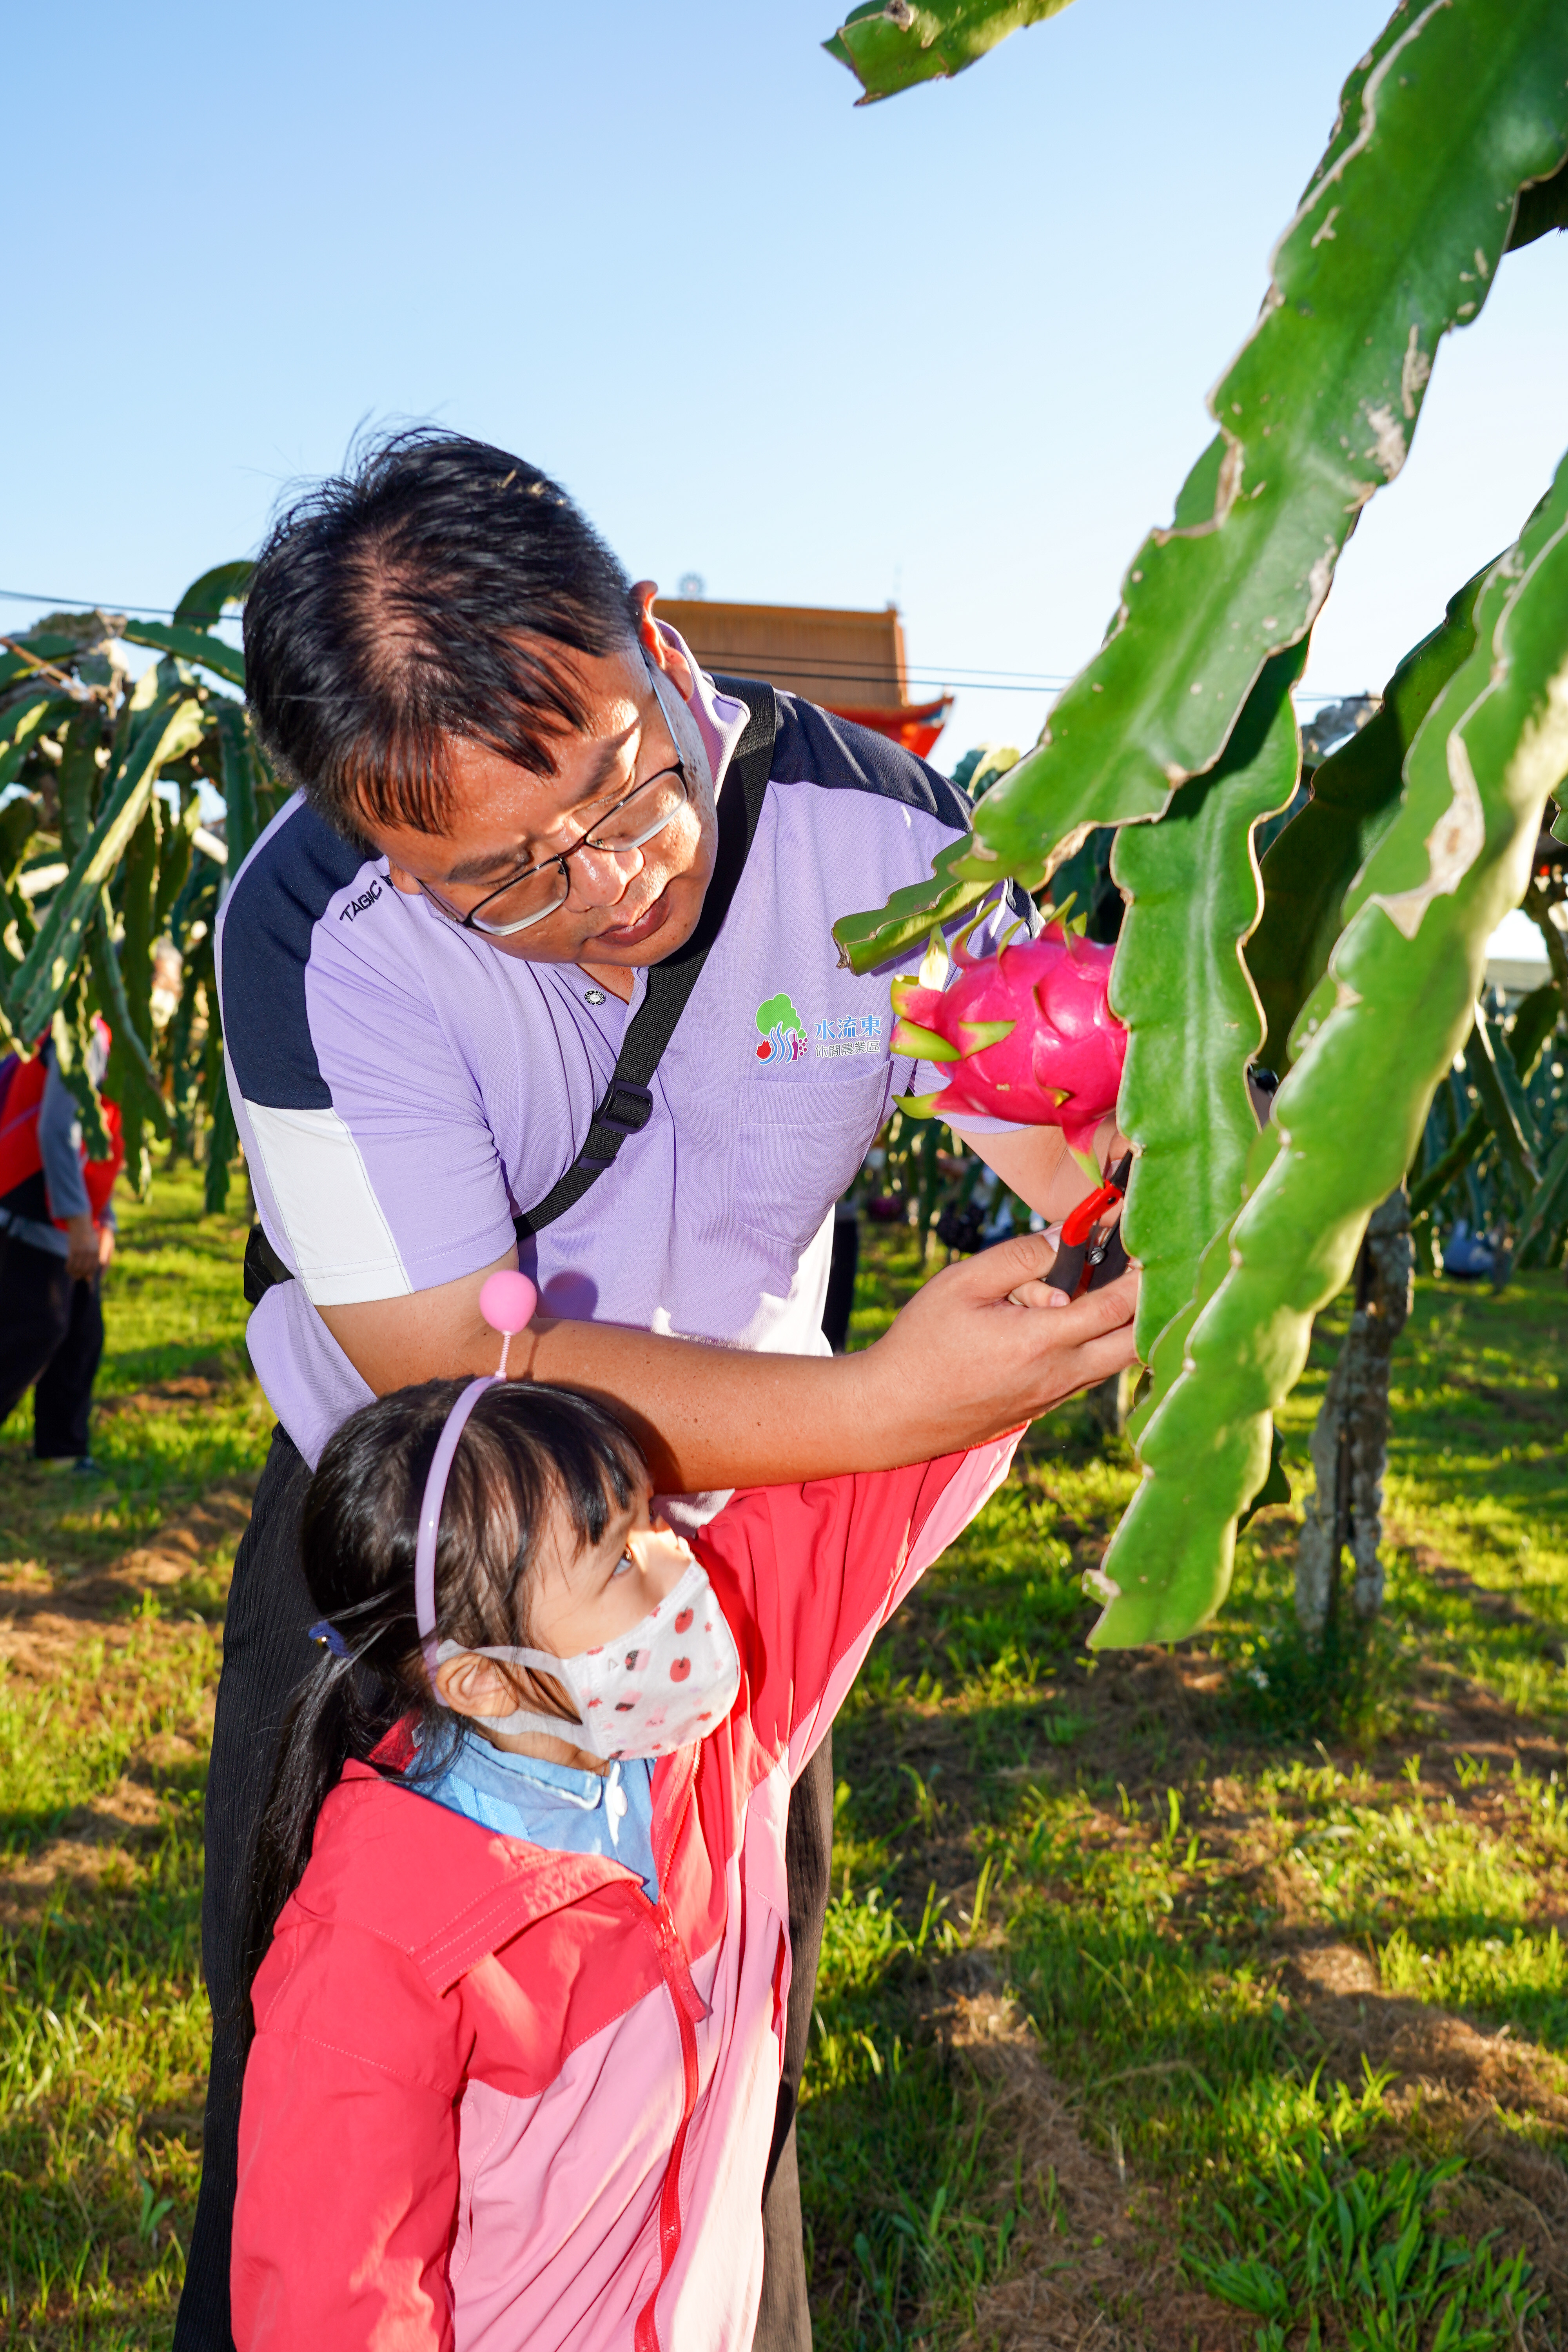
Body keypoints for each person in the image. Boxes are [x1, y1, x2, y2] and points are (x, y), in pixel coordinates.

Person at [186, 430, 1135, 2352]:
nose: (607, 880)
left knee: (722, 2083)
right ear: (385, 852)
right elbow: (462, 1376)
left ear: (653, 640)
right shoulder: (310, 942)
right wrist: (883, 1409)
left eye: (617, 779)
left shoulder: (875, 832)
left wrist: (1158, 1173)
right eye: (501, 882)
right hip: (440, 1582)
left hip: (722, 1593)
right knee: (329, 2142)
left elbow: (1076, 1134)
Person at [232, 1277, 1130, 2350]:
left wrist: (1052, 1304)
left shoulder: (712, 1746)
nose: (677, 1566)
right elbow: (337, 2307)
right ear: (478, 1680)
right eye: (619, 1562)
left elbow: (859, 1491)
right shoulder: (377, 1951)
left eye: (651, 1521)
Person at [0, 1021, 121, 1471]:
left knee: (81, 1334)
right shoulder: (88, 1032)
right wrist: (78, 1223)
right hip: (35, 1204)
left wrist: (103, 1220)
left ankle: (63, 1452)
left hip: (72, 1209)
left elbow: (97, 1134)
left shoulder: (109, 1039)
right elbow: (57, 1129)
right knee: (33, 1328)